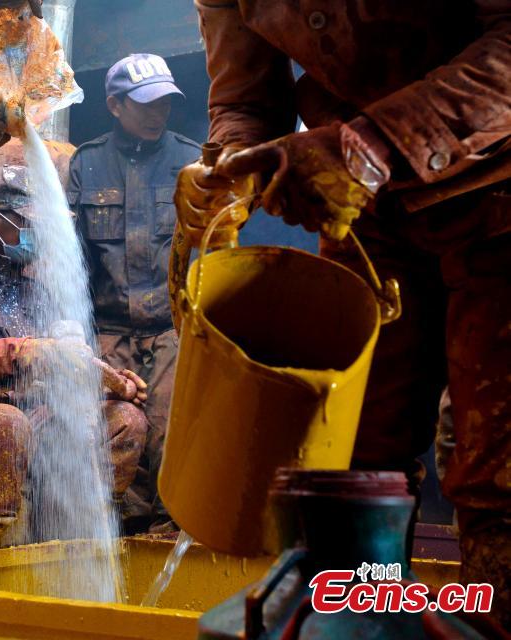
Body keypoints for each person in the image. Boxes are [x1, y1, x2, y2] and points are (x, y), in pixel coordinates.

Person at [179, 0, 510, 627]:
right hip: (370, 219)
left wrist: (370, 146)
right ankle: (368, 619)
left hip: (501, 193)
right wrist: (227, 163)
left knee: (499, 479)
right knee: (354, 463)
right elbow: (247, 100)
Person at [0, 165, 150, 552]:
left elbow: (61, 362)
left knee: (123, 421)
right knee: (5, 424)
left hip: (32, 414)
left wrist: (106, 380)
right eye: (35, 223)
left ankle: (70, 549)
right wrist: (9, 354)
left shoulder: (35, 282)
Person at [67, 54, 201, 533]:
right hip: (109, 333)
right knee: (116, 440)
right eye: (146, 104)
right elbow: (72, 259)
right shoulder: (87, 162)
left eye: (165, 103)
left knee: (173, 438)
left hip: (172, 330)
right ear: (115, 105)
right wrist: (78, 339)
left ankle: (168, 541)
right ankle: (119, 543)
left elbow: (215, 248)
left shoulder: (192, 161)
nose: (157, 113)